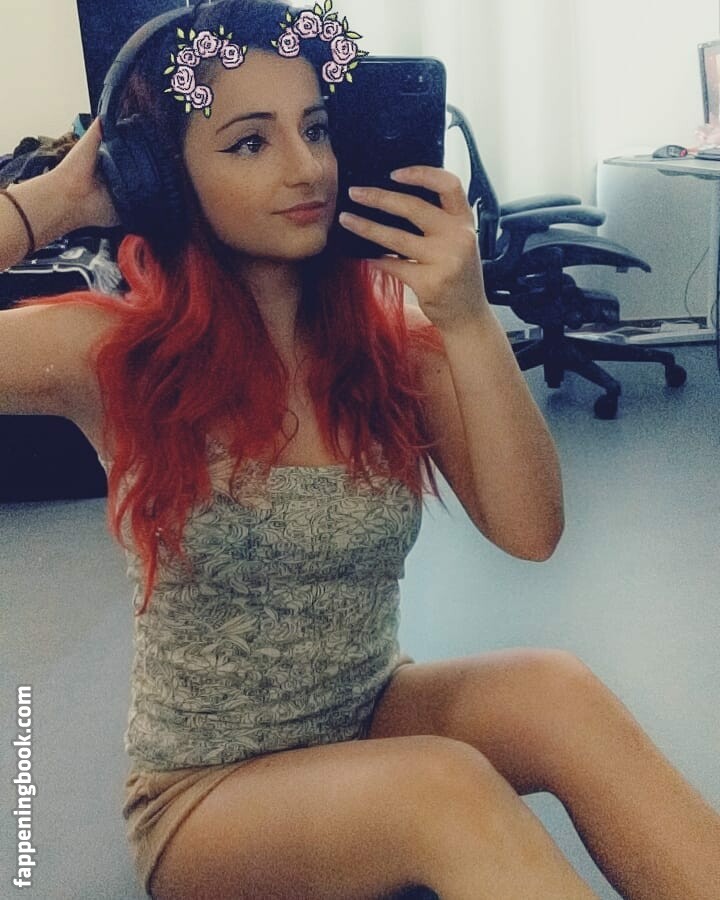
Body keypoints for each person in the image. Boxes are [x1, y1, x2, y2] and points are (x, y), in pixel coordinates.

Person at [2, 1, 719, 897]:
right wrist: (57, 197)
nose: (307, 167)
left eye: (315, 128)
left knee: (556, 690)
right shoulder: (112, 357)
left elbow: (532, 531)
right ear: (166, 180)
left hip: (367, 708)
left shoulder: (393, 350)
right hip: (205, 795)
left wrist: (466, 314)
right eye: (249, 142)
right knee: (443, 789)